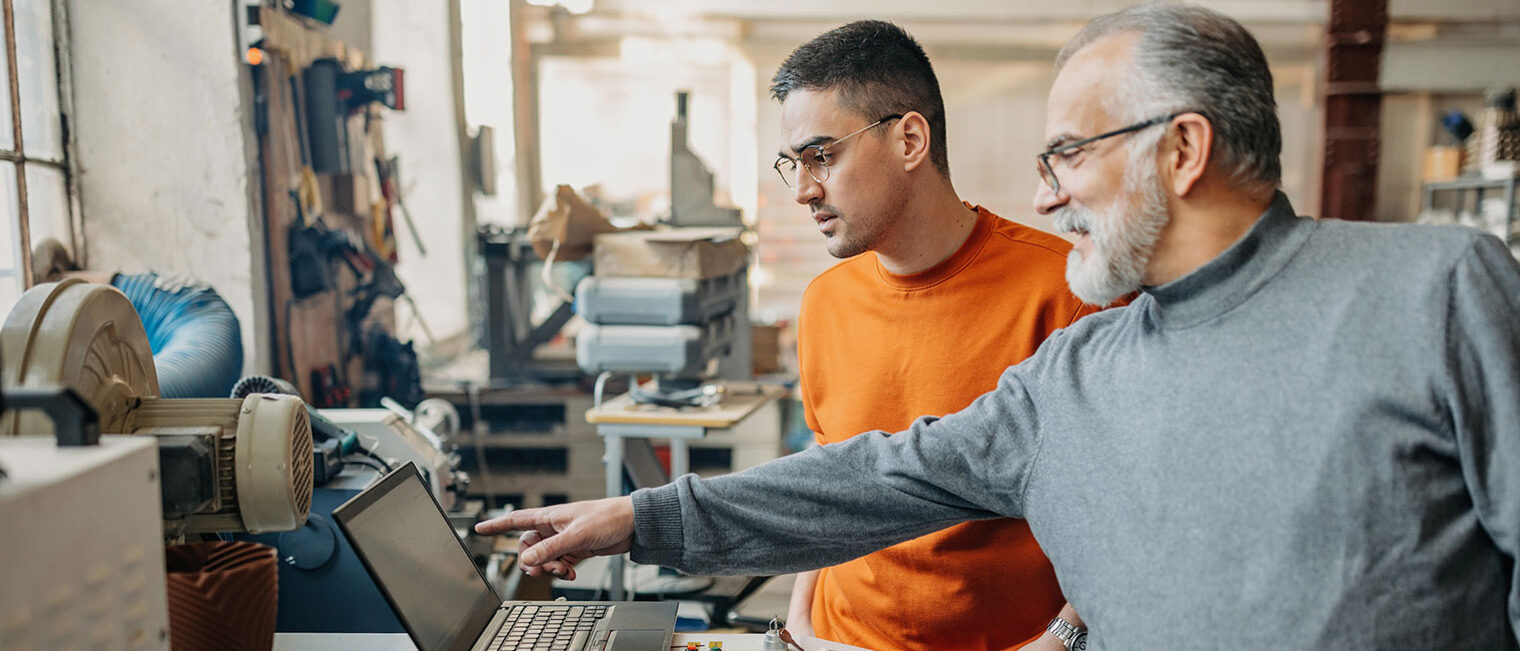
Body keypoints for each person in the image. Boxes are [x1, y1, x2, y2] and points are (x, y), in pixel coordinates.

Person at [479, 5, 1520, 649]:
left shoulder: (1433, 291)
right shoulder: (1076, 375)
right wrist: (642, 518)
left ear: (1180, 150)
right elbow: (875, 476)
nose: (1049, 195)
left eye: (1065, 155)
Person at [768, 20, 1097, 651]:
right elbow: (828, 475)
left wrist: (1060, 641)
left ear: (910, 139)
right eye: (794, 164)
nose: (805, 190)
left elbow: (1126, 502)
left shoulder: (1069, 294)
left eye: (822, 156)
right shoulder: (824, 303)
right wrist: (800, 625)